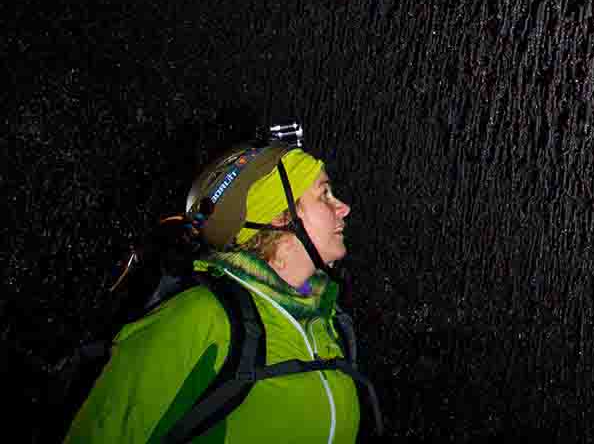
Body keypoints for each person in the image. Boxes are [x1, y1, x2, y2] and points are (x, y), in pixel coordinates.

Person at [64, 141, 375, 443]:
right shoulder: (198, 319)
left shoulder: (325, 322)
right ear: (280, 216)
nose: (344, 208)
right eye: (324, 195)